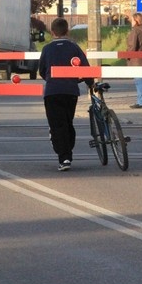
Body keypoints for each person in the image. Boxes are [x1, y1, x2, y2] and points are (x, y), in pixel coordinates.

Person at [38, 17, 92, 171]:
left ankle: (64, 157)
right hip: (70, 92)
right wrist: (90, 84)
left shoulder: (47, 49)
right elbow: (85, 68)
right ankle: (68, 151)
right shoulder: (74, 48)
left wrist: (50, 79)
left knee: (56, 125)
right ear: (67, 31)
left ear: (52, 32)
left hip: (52, 92)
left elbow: (42, 70)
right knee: (67, 122)